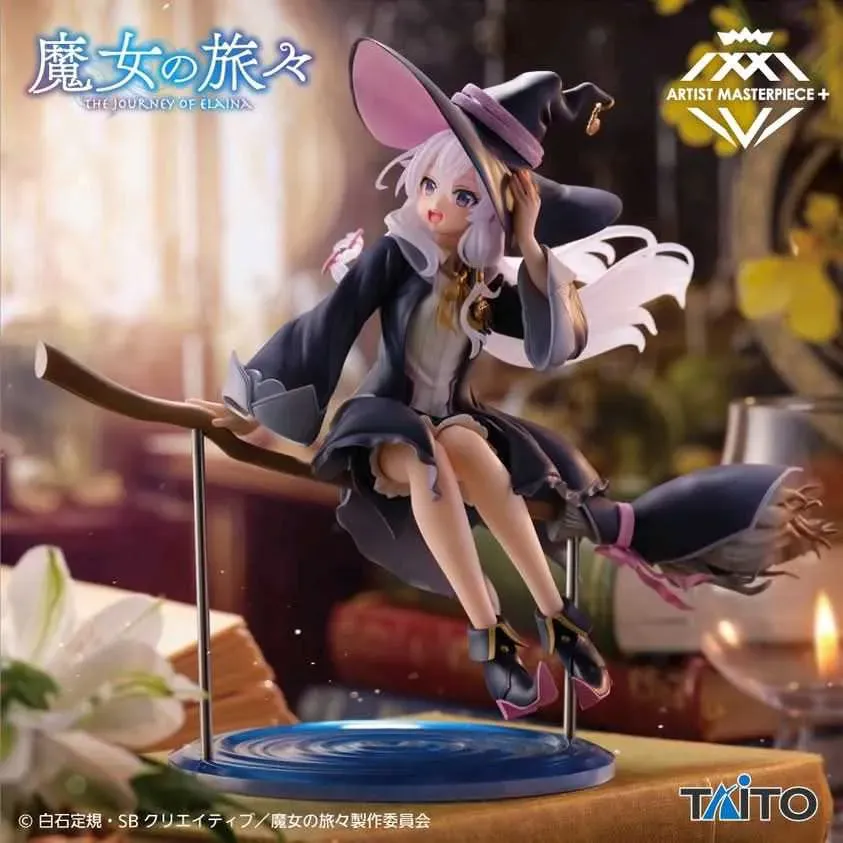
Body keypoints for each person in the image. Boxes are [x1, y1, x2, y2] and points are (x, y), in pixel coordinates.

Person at [191, 38, 832, 721]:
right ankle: (490, 633)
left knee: (480, 462)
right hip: (384, 422)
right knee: (433, 465)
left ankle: (557, 618)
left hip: (456, 420)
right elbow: (330, 320)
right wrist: (258, 397)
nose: (436, 204)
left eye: (463, 195)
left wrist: (529, 246)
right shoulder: (395, 257)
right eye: (429, 184)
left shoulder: (484, 281)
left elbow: (553, 344)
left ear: (494, 211)